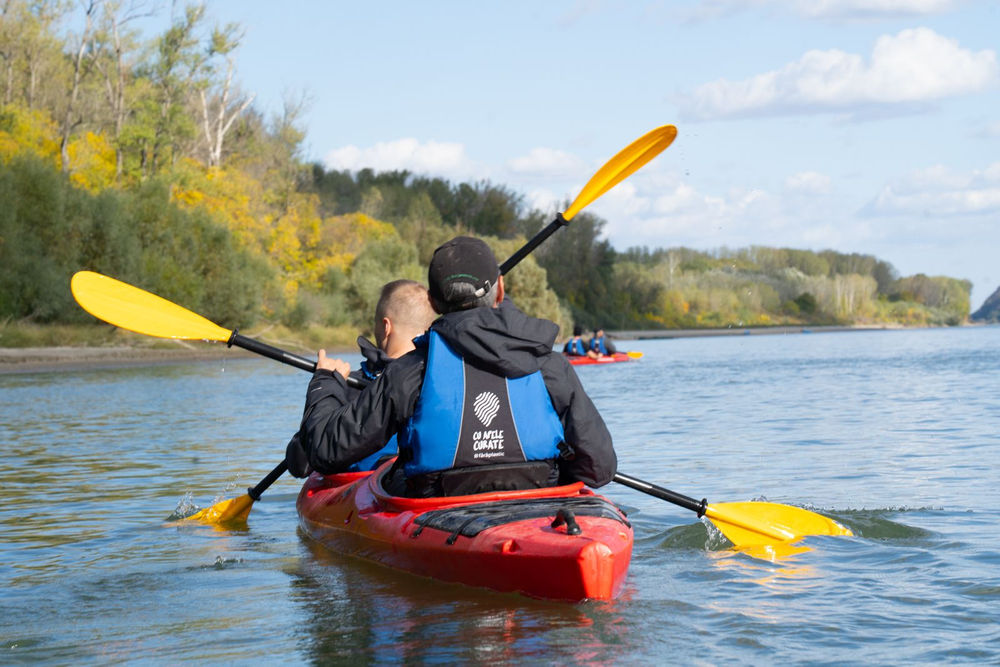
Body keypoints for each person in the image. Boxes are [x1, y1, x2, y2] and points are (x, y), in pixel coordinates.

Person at [296, 236, 617, 497]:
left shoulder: (410, 372)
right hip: (537, 498)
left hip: (439, 503)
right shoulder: (549, 363)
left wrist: (325, 382)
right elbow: (599, 469)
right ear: (500, 290)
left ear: (434, 304)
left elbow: (326, 452)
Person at [285, 279, 437, 477]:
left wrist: (326, 382)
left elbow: (300, 464)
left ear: (386, 326)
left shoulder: (351, 387)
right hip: (424, 489)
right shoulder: (440, 380)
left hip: (365, 493)